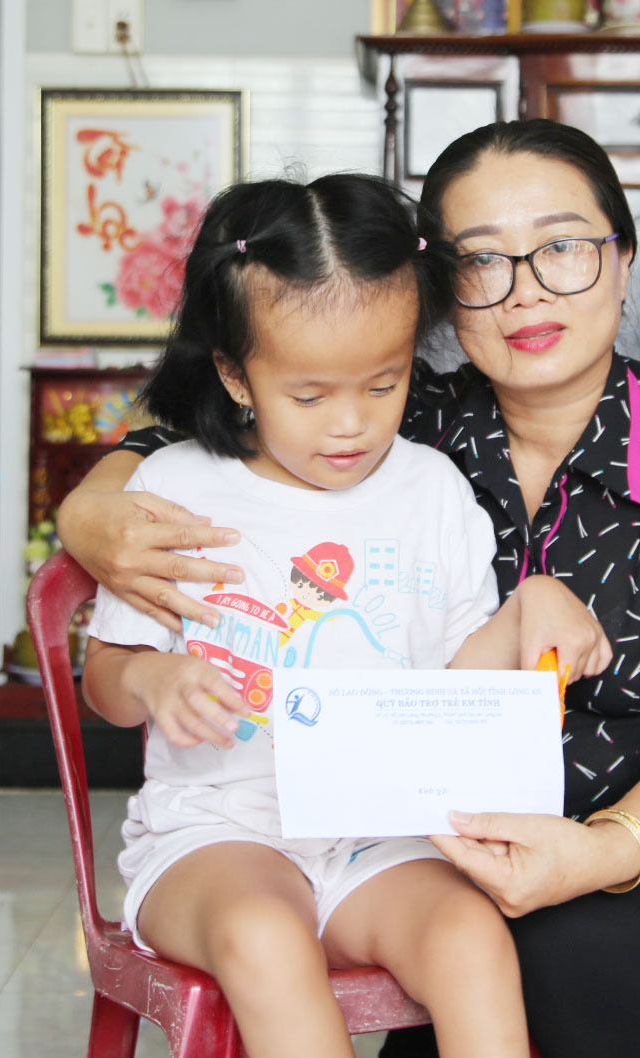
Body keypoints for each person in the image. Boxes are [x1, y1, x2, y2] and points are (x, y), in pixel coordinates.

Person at [61, 120, 640, 1057]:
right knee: (492, 934)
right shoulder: (404, 421)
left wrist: (594, 852)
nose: (526, 290)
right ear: (441, 290)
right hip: (438, 850)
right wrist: (88, 512)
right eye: (482, 261)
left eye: (562, 247)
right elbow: (218, 434)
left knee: (571, 940)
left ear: (623, 258)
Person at [80, 171, 610, 1058]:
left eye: (383, 384)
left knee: (471, 937)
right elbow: (103, 682)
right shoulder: (173, 490)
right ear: (235, 374)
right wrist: (151, 677)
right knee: (266, 936)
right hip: (218, 836)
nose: (350, 426)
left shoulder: (432, 489)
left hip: (384, 835)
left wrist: (530, 607)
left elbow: (456, 686)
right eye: (310, 396)